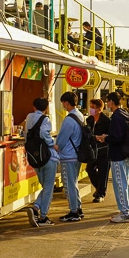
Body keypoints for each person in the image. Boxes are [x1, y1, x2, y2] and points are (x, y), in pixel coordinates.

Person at [97, 92, 129, 223]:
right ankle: (126, 209)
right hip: (124, 154)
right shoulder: (125, 114)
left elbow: (116, 137)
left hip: (118, 155)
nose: (107, 104)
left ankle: (125, 213)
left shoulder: (117, 116)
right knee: (125, 182)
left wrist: (105, 138)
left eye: (107, 101)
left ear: (112, 102)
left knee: (120, 183)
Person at [24, 98, 57, 227]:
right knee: (49, 188)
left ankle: (36, 208)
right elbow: (44, 133)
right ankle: (43, 217)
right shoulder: (45, 119)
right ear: (46, 108)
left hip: (34, 158)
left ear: (33, 107)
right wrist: (52, 143)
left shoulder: (29, 117)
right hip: (47, 157)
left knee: (45, 186)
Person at [56, 92, 86, 223]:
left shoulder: (68, 120)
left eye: (63, 103)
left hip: (68, 155)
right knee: (74, 183)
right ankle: (78, 208)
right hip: (77, 154)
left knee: (69, 184)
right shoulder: (80, 115)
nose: (63, 105)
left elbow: (61, 140)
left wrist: (56, 146)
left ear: (66, 103)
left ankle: (73, 211)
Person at [85, 98, 109, 202]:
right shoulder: (89, 120)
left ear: (99, 109)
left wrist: (103, 137)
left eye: (93, 107)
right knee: (90, 169)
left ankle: (100, 194)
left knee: (103, 172)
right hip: (92, 150)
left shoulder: (106, 121)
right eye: (90, 107)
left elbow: (110, 135)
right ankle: (99, 188)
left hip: (104, 150)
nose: (91, 109)